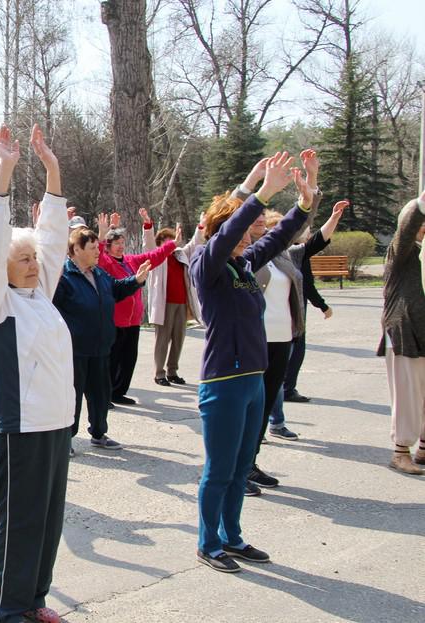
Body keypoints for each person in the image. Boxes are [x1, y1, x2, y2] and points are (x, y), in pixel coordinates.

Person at [189, 151, 310, 573]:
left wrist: (305, 202)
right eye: (239, 230)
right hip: (222, 382)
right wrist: (261, 193)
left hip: (254, 380)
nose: (246, 238)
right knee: (219, 469)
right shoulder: (207, 266)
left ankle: (232, 537)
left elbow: (277, 239)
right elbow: (226, 235)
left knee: (241, 467)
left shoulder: (242, 266)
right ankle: (208, 544)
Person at [0, 124, 72, 623]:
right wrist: (5, 170)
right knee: (20, 522)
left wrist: (52, 169)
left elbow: (53, 237)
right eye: (23, 259)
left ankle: (34, 600)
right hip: (20, 428)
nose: (33, 264)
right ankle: (10, 609)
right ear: (3, 269)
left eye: (34, 258)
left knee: (49, 521)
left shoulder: (40, 296)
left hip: (57, 423)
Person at [233, 150, 320, 492]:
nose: (257, 222)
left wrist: (308, 192)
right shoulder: (237, 257)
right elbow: (227, 220)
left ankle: (249, 464)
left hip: (282, 339)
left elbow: (291, 231)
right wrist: (255, 185)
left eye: (260, 219)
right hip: (252, 343)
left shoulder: (272, 253)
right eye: (252, 218)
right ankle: (236, 470)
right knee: (245, 412)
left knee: (264, 406)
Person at [53, 224, 148, 454]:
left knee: (100, 394)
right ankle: (66, 439)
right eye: (93, 248)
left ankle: (98, 433)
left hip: (101, 347)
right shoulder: (63, 277)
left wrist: (136, 280)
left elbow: (115, 289)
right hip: (75, 350)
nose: (98, 251)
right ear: (76, 249)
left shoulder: (98, 273)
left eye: (98, 247)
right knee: (72, 397)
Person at [266, 201, 347, 440]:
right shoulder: (255, 256)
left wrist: (333, 218)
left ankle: (276, 423)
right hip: (260, 331)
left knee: (276, 381)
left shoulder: (291, 254)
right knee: (260, 383)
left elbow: (316, 242)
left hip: (287, 330)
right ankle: (257, 426)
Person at [98, 209, 175, 405]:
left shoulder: (131, 260)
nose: (121, 247)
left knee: (128, 359)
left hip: (133, 320)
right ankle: (105, 395)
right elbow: (97, 254)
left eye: (122, 243)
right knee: (112, 359)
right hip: (115, 319)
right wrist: (103, 233)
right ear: (108, 246)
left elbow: (153, 257)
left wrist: (171, 245)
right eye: (117, 243)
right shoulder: (105, 262)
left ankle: (118, 393)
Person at [378, 188, 425, 475]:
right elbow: (406, 229)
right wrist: (420, 205)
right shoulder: (400, 252)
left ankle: (423, 449)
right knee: (407, 396)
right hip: (405, 333)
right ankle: (400, 452)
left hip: (422, 333)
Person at [142, 216, 205, 386]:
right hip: (164, 304)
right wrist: (147, 225)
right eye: (166, 240)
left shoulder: (180, 255)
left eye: (172, 239)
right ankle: (159, 373)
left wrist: (201, 226)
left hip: (181, 303)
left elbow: (194, 244)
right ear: (161, 243)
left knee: (178, 338)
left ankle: (172, 371)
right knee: (162, 340)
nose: (171, 243)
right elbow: (148, 244)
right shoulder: (157, 256)